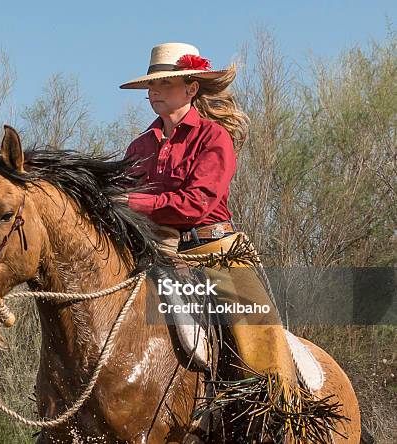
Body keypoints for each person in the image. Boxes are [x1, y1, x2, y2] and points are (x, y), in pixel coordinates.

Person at [119, 43, 303, 437]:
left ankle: (275, 422)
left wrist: (131, 201)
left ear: (191, 88)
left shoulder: (213, 138)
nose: (154, 92)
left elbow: (195, 204)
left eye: (164, 84)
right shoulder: (138, 147)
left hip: (214, 249)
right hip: (154, 249)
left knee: (258, 336)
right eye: (151, 86)